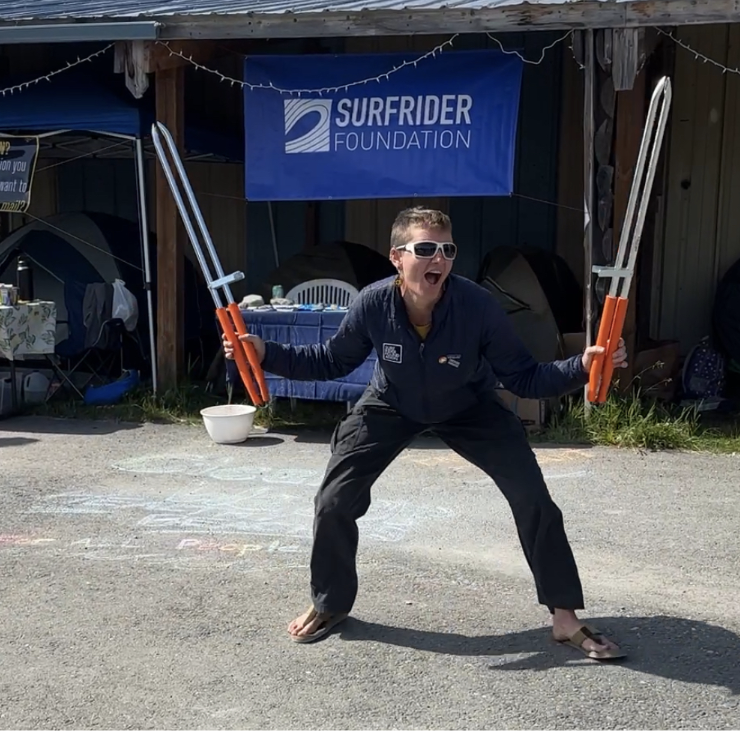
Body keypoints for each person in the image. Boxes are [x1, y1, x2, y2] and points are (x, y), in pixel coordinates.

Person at [225, 206, 628, 661]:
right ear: (397, 257)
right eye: (425, 249)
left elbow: (525, 379)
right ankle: (331, 604)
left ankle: (565, 618)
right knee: (334, 501)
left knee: (534, 500)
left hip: (469, 406)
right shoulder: (373, 303)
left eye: (447, 250)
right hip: (391, 403)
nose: (438, 259)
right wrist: (265, 351)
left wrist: (582, 367)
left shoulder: (478, 307)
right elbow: (329, 362)